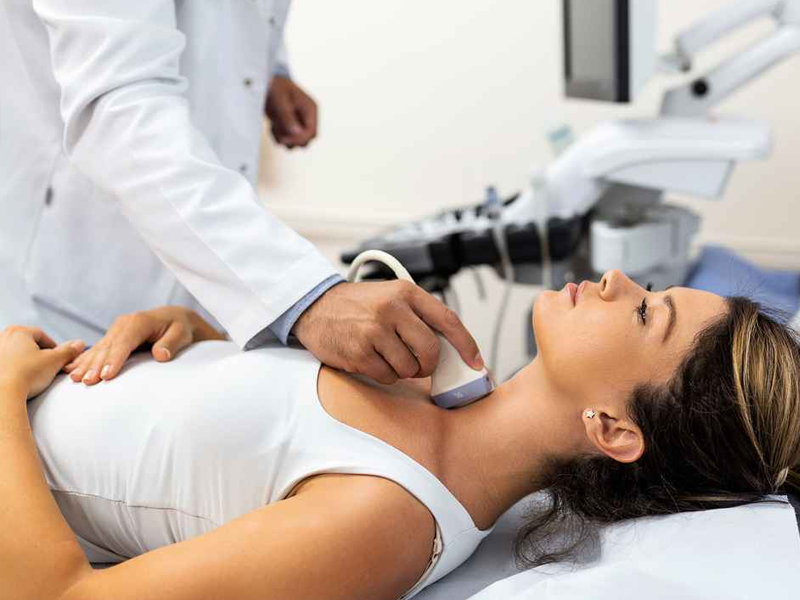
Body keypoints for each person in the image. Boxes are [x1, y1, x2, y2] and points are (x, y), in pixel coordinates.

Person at [2, 270, 799, 600]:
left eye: (646, 311)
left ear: (614, 429)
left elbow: (58, 595)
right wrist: (192, 334)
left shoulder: (387, 518)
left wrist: (1, 397)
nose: (618, 279)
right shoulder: (420, 370)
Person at [0, 2, 483, 387]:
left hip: (188, 282)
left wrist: (270, 70)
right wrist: (305, 297)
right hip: (65, 271)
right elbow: (117, 103)